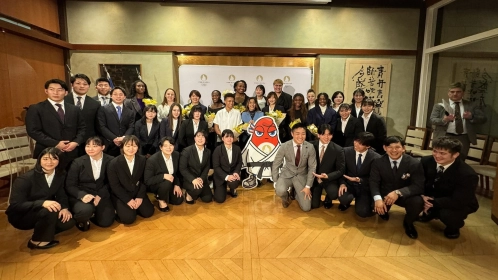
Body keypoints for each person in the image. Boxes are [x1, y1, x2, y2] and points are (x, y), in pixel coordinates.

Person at [6, 147, 75, 249]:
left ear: (59, 160)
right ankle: (36, 241)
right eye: (45, 159)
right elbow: (15, 205)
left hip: (43, 210)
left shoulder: (60, 174)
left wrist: (65, 208)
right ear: (39, 160)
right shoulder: (25, 179)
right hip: (22, 214)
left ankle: (43, 229)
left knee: (68, 222)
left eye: (54, 158)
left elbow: (61, 194)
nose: (49, 162)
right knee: (49, 210)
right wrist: (42, 203)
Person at [419, 137, 479, 239]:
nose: (437, 156)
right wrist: (422, 197)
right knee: (414, 199)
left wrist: (432, 203)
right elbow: (418, 182)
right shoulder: (426, 161)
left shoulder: (467, 174)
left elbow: (459, 200)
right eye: (435, 151)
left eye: (442, 153)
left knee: (447, 215)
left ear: (455, 154)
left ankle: (453, 227)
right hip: (434, 195)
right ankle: (430, 213)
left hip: (459, 202)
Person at [369, 136, 425, 239]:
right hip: (385, 194)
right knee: (374, 206)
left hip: (404, 195)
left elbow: (418, 186)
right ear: (384, 148)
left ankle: (408, 223)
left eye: (397, 147)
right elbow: (373, 182)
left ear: (403, 148)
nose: (394, 150)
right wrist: (377, 199)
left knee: (418, 202)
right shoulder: (378, 162)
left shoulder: (414, 163)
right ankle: (383, 211)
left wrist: (398, 192)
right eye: (390, 147)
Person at [26, 79, 86, 170]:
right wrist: (56, 144)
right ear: (46, 91)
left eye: (60, 90)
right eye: (52, 89)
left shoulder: (75, 109)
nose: (56, 92)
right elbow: (33, 131)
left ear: (66, 92)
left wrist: (76, 142)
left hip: (72, 152)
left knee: (71, 179)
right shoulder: (36, 108)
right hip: (47, 152)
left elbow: (82, 128)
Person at [65, 137, 115, 231]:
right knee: (85, 210)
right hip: (83, 193)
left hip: (101, 193)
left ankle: (94, 213)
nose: (90, 149)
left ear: (103, 147)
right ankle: (84, 218)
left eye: (95, 146)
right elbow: (70, 185)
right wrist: (82, 195)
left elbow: (112, 182)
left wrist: (100, 194)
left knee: (106, 222)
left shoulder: (111, 160)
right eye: (88, 146)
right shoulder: (77, 162)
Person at [429, 82, 487, 159]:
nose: (455, 94)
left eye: (458, 92)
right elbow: (433, 120)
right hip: (445, 136)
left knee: (460, 160)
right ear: (448, 93)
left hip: (463, 137)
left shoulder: (471, 105)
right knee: (443, 158)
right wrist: (444, 120)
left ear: (463, 93)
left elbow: (483, 119)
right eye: (452, 92)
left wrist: (471, 117)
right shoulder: (440, 106)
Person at [108, 135, 154, 224]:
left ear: (138, 147)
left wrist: (140, 196)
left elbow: (144, 180)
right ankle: (119, 209)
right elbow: (114, 185)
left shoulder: (143, 160)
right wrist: (128, 200)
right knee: (128, 219)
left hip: (137, 192)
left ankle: (133, 208)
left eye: (134, 146)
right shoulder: (113, 163)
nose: (131, 149)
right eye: (128, 146)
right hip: (122, 194)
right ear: (122, 147)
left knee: (148, 213)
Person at [272, 123, 316, 211]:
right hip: (287, 174)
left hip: (301, 176)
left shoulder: (310, 147)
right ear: (292, 134)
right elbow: (276, 163)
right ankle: (285, 198)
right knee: (279, 190)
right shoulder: (284, 146)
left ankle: (295, 192)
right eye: (297, 133)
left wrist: (308, 186)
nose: (300, 136)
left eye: (303, 133)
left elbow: (312, 167)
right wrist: (275, 180)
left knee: (306, 208)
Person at [337, 132, 381, 217]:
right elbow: (341, 170)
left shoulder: (376, 158)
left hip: (364, 187)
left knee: (363, 212)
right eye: (356, 141)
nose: (356, 144)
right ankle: (347, 203)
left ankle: (362, 202)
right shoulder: (345, 151)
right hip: (349, 184)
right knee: (343, 198)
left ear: (368, 146)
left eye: (360, 144)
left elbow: (374, 178)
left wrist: (359, 180)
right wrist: (342, 183)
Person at [144, 136, 184, 212]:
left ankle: (165, 195)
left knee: (178, 200)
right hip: (156, 184)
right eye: (165, 146)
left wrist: (177, 184)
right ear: (160, 147)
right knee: (167, 182)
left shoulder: (176, 155)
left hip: (171, 182)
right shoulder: (152, 160)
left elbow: (178, 173)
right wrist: (163, 176)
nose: (169, 148)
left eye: (171, 145)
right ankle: (160, 199)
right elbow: (147, 180)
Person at [65, 73, 101, 156]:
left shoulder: (95, 104)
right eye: (78, 83)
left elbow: (97, 125)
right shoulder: (63, 101)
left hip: (87, 143)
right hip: (67, 142)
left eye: (85, 84)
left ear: (88, 86)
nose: (82, 86)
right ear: (72, 85)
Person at [310, 124, 345, 210]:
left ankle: (328, 198)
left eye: (329, 134)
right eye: (323, 134)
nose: (326, 137)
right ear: (318, 135)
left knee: (333, 194)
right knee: (314, 205)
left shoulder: (338, 149)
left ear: (332, 135)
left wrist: (328, 176)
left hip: (329, 179)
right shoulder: (310, 146)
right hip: (314, 178)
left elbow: (341, 170)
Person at [97, 86, 135, 157]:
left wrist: (123, 138)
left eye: (121, 94)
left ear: (124, 97)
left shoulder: (130, 112)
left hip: (125, 143)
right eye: (115, 94)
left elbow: (131, 127)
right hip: (109, 143)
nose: (118, 96)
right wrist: (114, 138)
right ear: (111, 96)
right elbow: (102, 126)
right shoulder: (103, 109)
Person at [180, 131, 213, 204]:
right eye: (198, 136)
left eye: (203, 136)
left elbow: (207, 167)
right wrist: (193, 179)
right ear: (194, 138)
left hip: (201, 178)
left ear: (205, 139)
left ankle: (198, 191)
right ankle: (188, 194)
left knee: (208, 199)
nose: (200, 138)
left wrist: (202, 178)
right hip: (189, 179)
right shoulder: (187, 151)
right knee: (197, 189)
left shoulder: (208, 151)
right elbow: (182, 168)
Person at [212, 129, 242, 203]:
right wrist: (226, 177)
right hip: (221, 176)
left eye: (231, 136)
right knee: (220, 199)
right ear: (222, 138)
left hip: (232, 174)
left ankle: (232, 189)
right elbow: (216, 167)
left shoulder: (237, 149)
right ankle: (221, 187)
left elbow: (239, 162)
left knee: (234, 183)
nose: (229, 139)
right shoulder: (217, 150)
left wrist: (236, 172)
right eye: (227, 137)